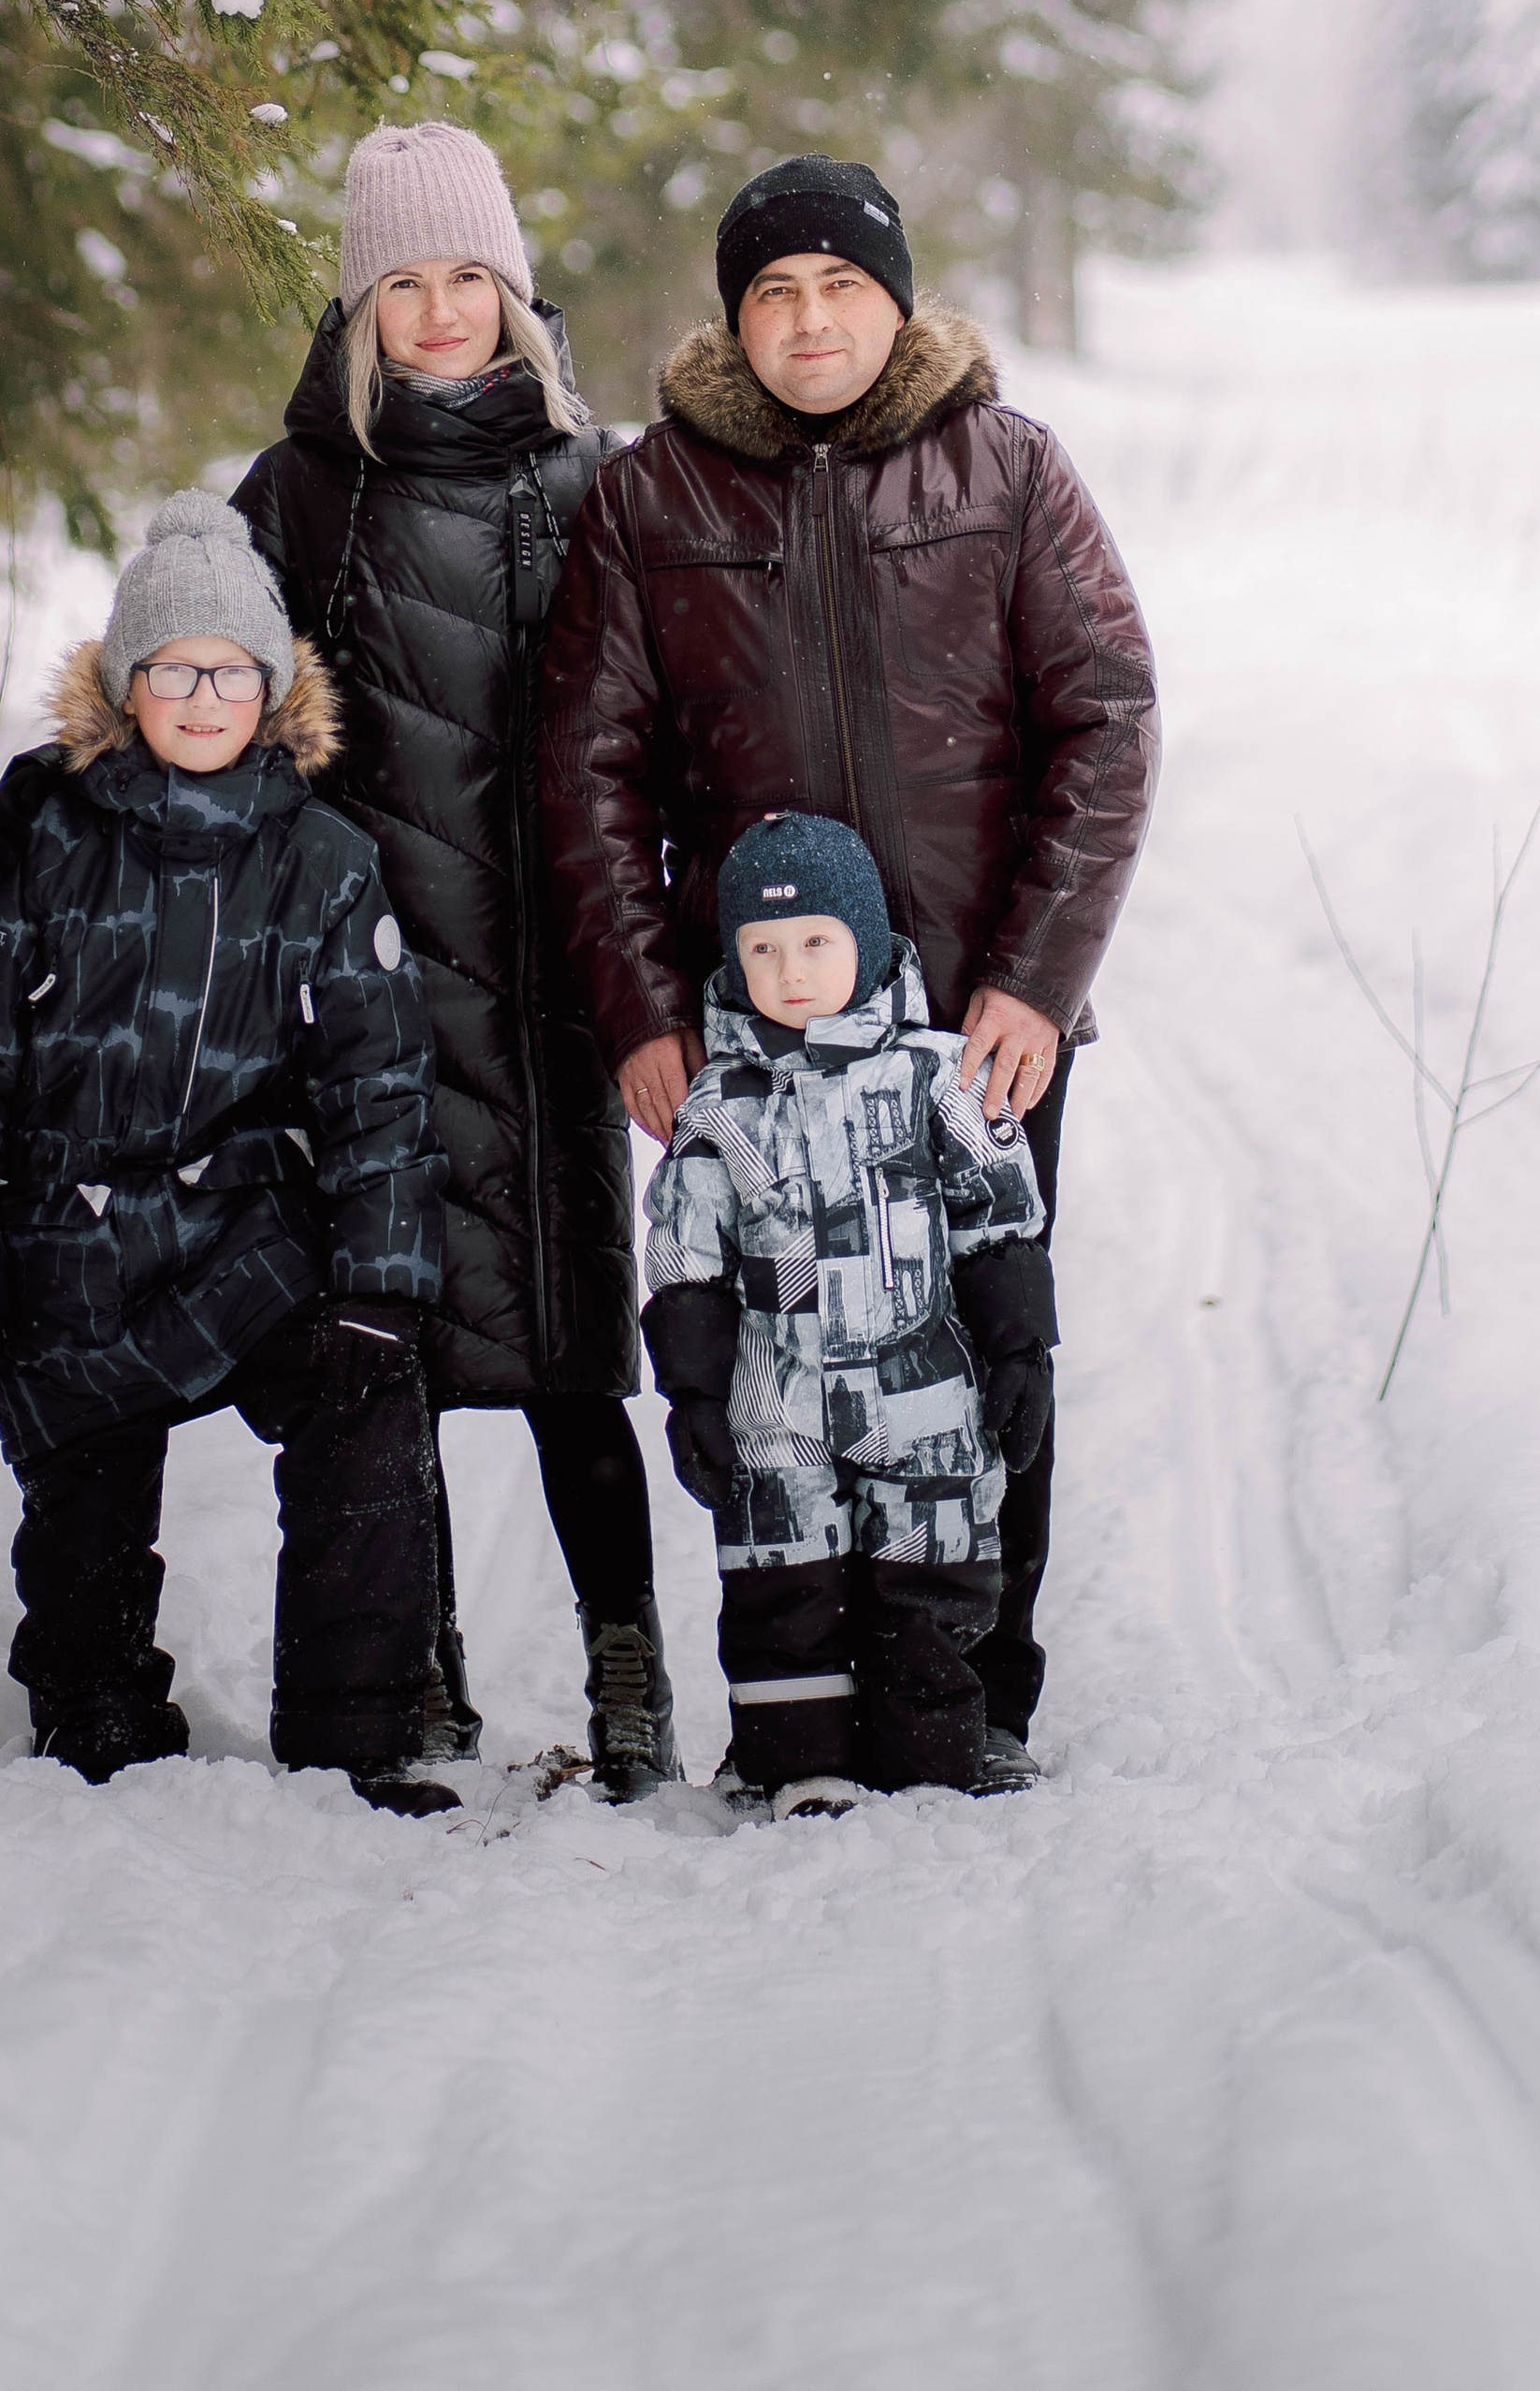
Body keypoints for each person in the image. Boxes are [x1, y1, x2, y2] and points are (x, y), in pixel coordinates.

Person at [541, 153, 1157, 1750]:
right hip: (752, 1050)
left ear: (897, 300)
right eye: (774, 293)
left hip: (970, 1032)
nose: (809, 321)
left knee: (976, 1352)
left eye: (840, 288)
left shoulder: (1008, 471)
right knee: (779, 1375)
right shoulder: (651, 495)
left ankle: (968, 1697)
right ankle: (804, 1695)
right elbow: (588, 770)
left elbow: (1106, 722)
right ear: (735, 316)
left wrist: (1041, 978)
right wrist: (643, 1009)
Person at [0, 489, 458, 1816]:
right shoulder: (45, 842)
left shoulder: (324, 863)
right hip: (71, 1250)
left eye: (233, 672)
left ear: (273, 687)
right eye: (172, 670)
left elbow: (379, 1080)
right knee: (81, 1519)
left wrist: (377, 1279)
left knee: (368, 1394)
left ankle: (354, 1725)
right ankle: (96, 1700)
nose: (204, 698)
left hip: (236, 1241)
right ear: (125, 683)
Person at [235, 123, 676, 1799]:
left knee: (575, 1354)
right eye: (401, 283)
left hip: (555, 987)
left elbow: (657, 728)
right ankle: (419, 1671)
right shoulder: (295, 495)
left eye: (466, 280)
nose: (436, 312)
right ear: (359, 308)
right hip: (369, 998)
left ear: (515, 295)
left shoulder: (598, 480)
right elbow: (233, 732)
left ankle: (629, 1671)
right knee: (390, 1349)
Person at [644, 813, 1053, 1806]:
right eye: (763, 948)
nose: (790, 970)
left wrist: (1020, 1352)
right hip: (773, 1400)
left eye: (817, 942)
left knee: (932, 1578)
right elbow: (684, 1261)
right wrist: (692, 1395)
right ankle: (799, 1765)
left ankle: (929, 1757)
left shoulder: (935, 1077)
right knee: (783, 1590)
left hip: (923, 1394)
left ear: (866, 943)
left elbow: (995, 1226)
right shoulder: (717, 1107)